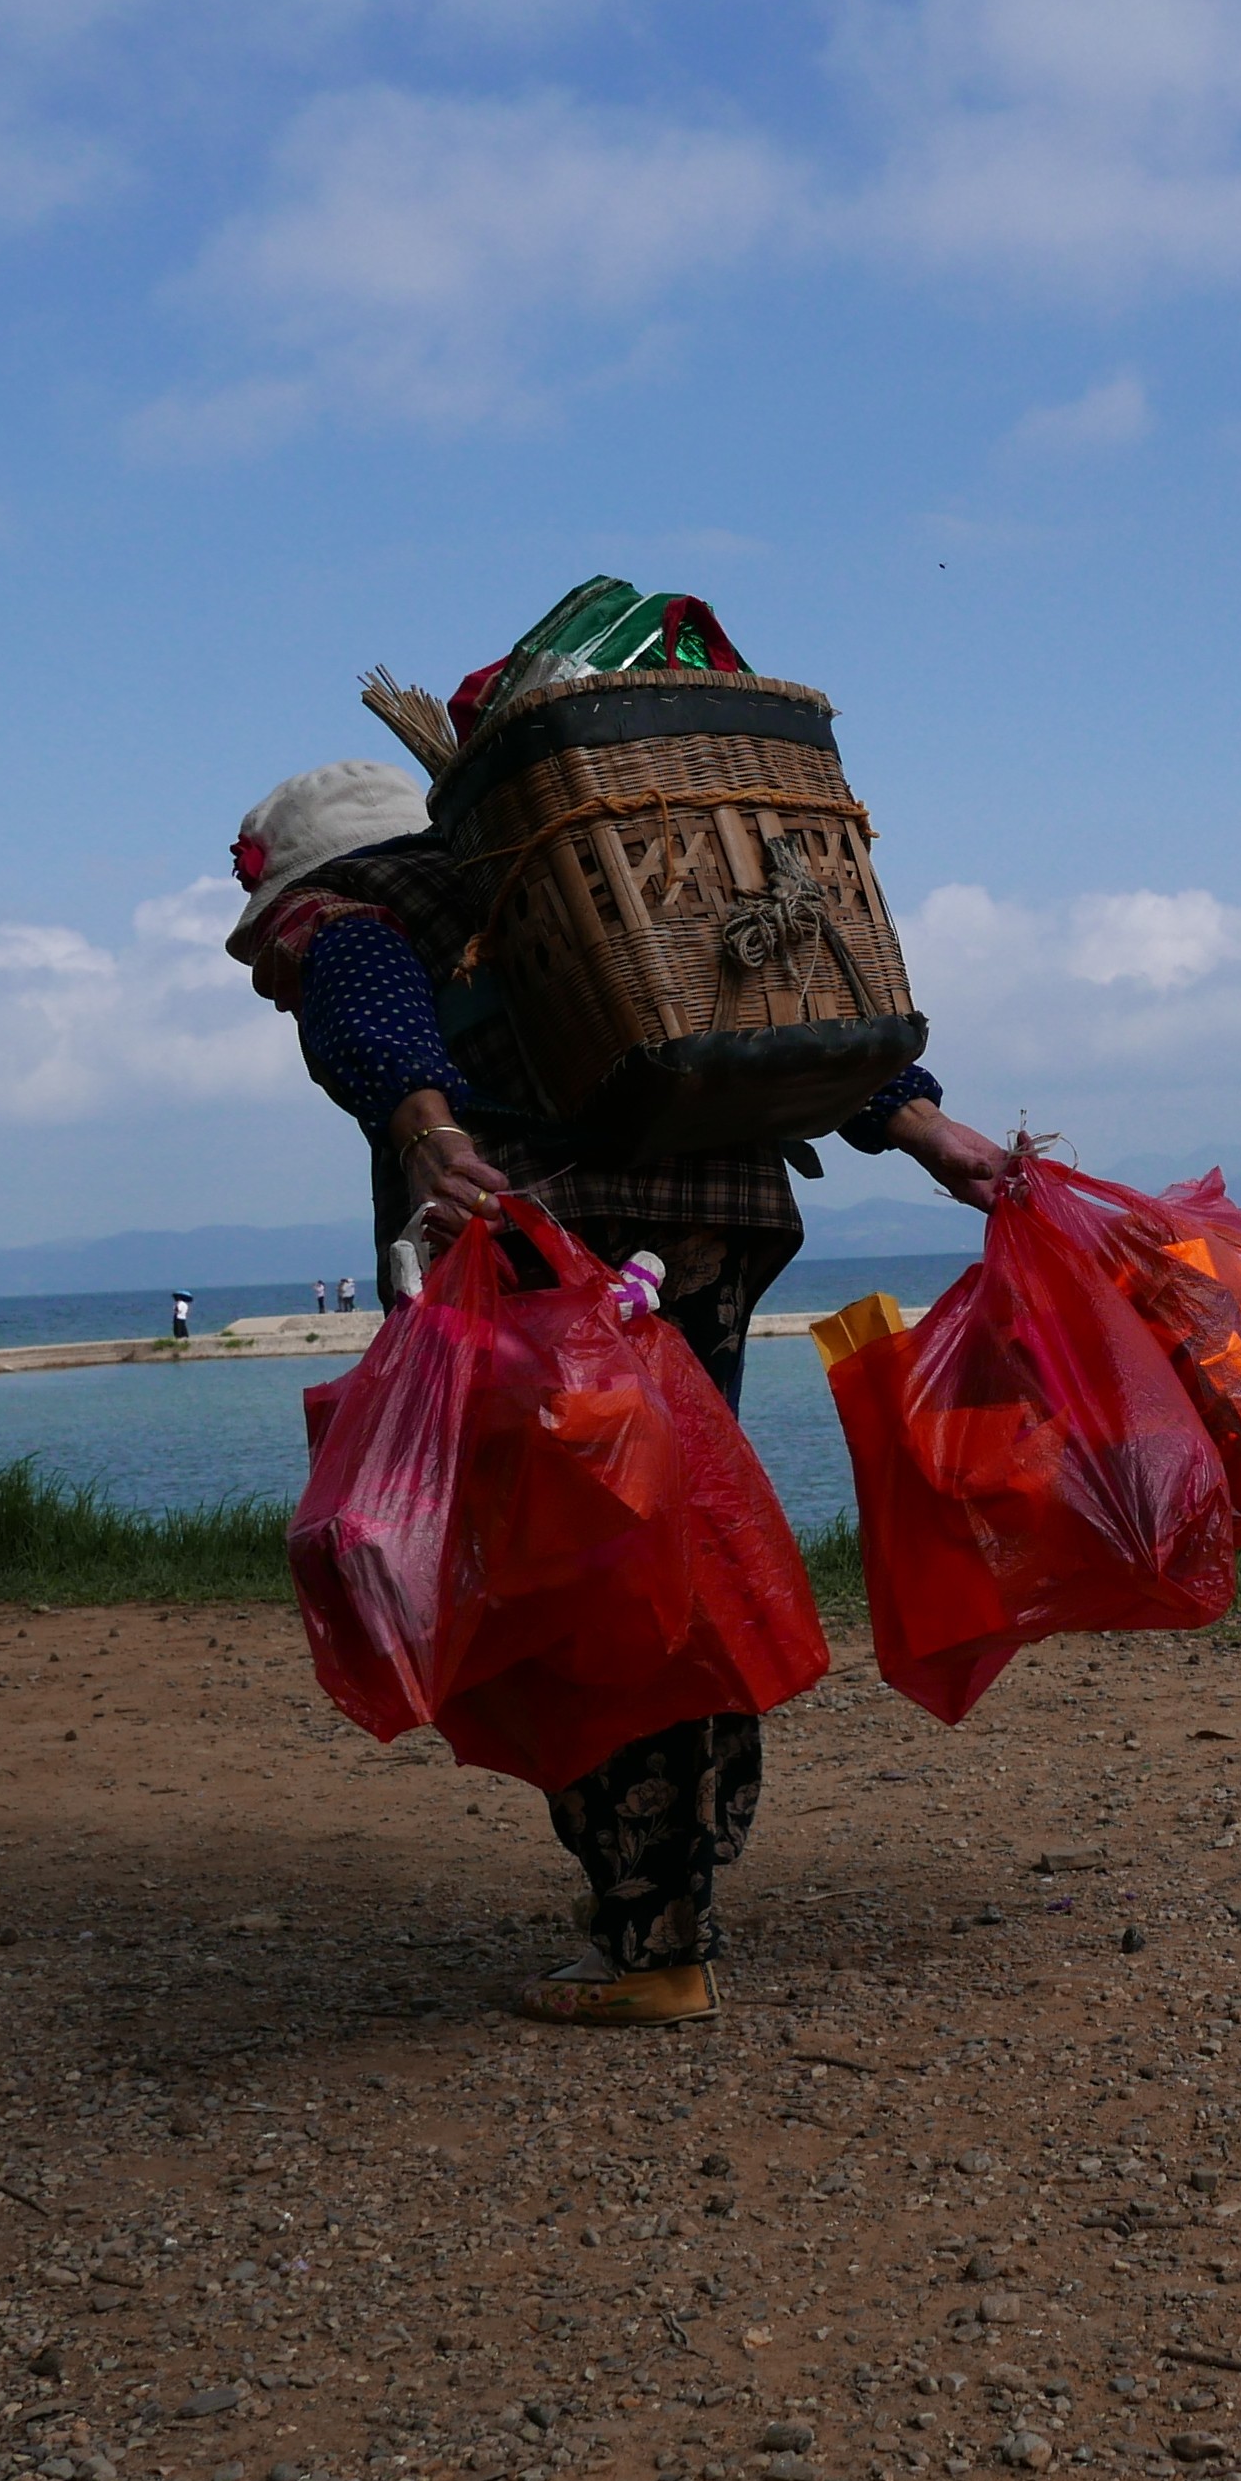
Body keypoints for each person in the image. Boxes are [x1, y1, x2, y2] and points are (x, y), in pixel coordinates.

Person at [225, 758, 1015, 2026]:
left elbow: (369, 1014)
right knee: (674, 1548)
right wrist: (926, 1130)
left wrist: (428, 1133)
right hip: (710, 1237)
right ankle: (683, 1871)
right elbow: (762, 1010)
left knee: (575, 1579)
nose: (279, 981)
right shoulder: (592, 894)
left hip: (545, 1259)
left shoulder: (365, 911)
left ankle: (653, 1930)